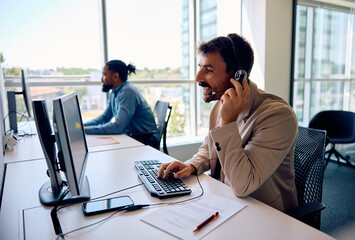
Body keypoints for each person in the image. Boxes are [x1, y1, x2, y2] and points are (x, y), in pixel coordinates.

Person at [158, 33, 298, 212]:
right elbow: (209, 148)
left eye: (208, 70)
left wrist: (227, 123)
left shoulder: (278, 115)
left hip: (264, 213)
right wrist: (191, 165)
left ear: (238, 76)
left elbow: (243, 185)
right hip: (226, 202)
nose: (197, 78)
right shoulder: (221, 105)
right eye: (200, 67)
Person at [84, 60, 158, 141]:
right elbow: (105, 117)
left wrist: (85, 130)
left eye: (105, 75)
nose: (102, 79)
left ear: (115, 76)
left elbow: (118, 127)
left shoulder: (127, 92)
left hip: (145, 139)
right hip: (132, 136)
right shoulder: (115, 92)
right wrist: (83, 126)